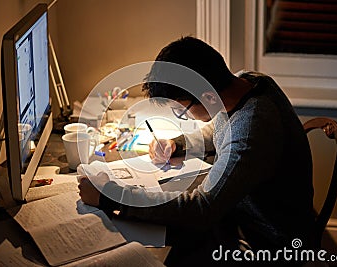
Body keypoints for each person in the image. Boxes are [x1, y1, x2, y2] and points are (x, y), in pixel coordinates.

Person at [78, 36, 314, 266]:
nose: (186, 117)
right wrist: (177, 144)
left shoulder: (251, 128)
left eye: (183, 111)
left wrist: (110, 196)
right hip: (241, 217)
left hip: (266, 243)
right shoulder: (247, 82)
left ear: (209, 96)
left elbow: (202, 209)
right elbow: (220, 129)